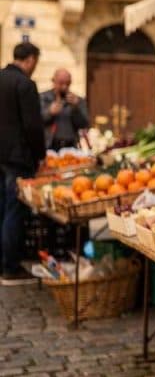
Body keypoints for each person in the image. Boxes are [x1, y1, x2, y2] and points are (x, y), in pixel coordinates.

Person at [0, 42, 46, 281]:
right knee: (14, 211)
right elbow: (32, 126)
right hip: (17, 158)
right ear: (30, 60)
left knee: (2, 209)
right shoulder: (25, 84)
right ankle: (10, 267)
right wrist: (40, 156)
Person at [40, 68, 90, 150]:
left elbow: (84, 125)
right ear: (53, 81)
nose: (64, 87)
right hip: (49, 145)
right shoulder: (43, 98)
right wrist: (49, 112)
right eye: (61, 83)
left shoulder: (77, 100)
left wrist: (75, 108)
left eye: (67, 83)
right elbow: (35, 121)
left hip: (71, 145)